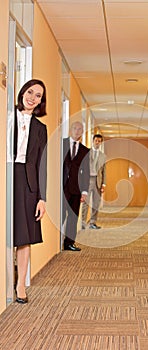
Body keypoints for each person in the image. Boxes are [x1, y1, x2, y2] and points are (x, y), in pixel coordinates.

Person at [14, 79, 48, 304]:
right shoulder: (7, 117)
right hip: (8, 175)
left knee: (24, 236)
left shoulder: (40, 128)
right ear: (22, 92)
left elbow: (41, 165)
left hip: (28, 184)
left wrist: (41, 198)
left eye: (38, 96)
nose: (32, 98)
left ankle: (20, 285)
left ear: (40, 102)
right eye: (30, 92)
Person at [62, 121, 90, 250]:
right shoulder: (62, 144)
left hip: (76, 188)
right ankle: (57, 240)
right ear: (70, 130)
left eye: (80, 129)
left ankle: (69, 243)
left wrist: (84, 191)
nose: (77, 131)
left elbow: (86, 172)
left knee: (73, 217)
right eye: (75, 128)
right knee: (61, 215)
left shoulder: (85, 150)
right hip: (61, 187)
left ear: (82, 132)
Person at [82, 134, 106, 229]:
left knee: (96, 203)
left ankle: (93, 222)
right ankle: (83, 223)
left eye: (99, 141)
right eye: (96, 140)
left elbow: (104, 171)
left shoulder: (103, 156)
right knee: (85, 203)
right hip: (88, 180)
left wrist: (104, 184)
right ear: (93, 141)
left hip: (98, 180)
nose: (97, 142)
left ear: (101, 143)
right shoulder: (86, 153)